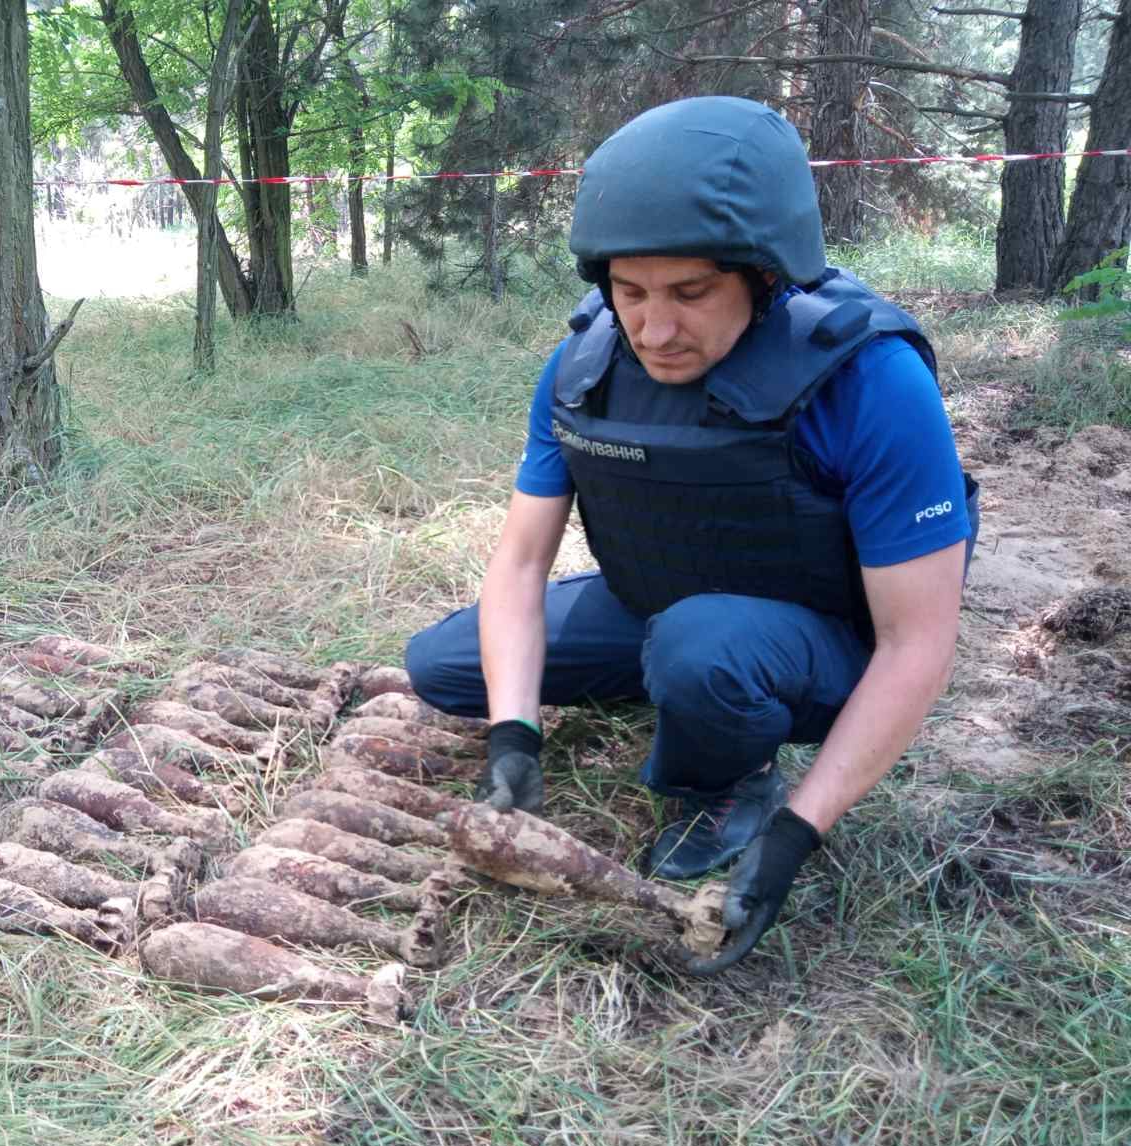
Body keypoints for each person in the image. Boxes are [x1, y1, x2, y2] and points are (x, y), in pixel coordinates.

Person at [404, 96, 979, 973]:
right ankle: (694, 690)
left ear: (765, 275)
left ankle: (725, 781)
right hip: (663, 603)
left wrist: (794, 838)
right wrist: (515, 735)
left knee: (702, 646)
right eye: (630, 293)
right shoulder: (583, 370)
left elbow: (918, 642)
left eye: (691, 292)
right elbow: (520, 565)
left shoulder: (871, 381)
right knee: (445, 667)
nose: (655, 329)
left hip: (826, 641)